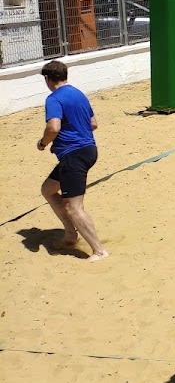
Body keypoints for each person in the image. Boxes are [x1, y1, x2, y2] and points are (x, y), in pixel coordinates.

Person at [36, 60, 108, 261]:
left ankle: (99, 251)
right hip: (88, 150)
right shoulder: (78, 94)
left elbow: (53, 127)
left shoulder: (53, 98)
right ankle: (70, 234)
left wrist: (43, 143)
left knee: (74, 207)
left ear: (48, 79)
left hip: (73, 155)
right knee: (48, 189)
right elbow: (93, 123)